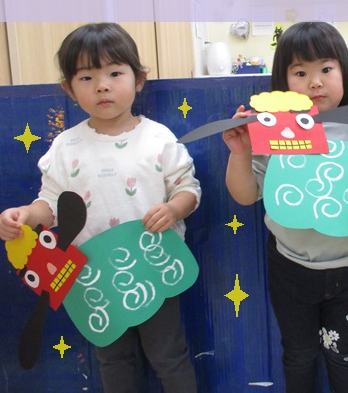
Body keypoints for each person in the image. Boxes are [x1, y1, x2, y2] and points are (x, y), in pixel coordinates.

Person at [0, 23, 201, 393]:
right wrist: (26, 216)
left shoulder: (158, 138)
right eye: (86, 77)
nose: (102, 86)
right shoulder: (65, 146)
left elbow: (188, 188)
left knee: (168, 355)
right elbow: (50, 205)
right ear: (69, 88)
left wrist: (174, 209)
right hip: (92, 277)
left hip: (154, 267)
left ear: (139, 79)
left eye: (114, 73)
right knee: (112, 359)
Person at [223, 21, 348, 392]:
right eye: (300, 73)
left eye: (326, 69)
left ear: (344, 73)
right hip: (290, 267)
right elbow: (246, 195)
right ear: (283, 82)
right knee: (299, 355)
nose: (315, 82)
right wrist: (240, 153)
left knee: (346, 355)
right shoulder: (276, 133)